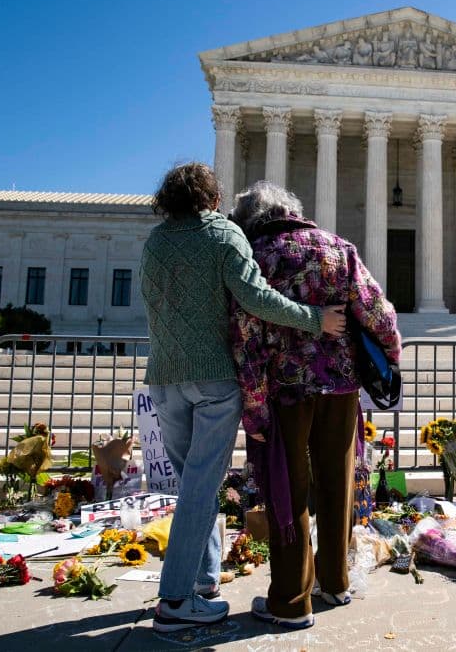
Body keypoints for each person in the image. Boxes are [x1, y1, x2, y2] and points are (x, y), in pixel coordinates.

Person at [140, 163, 345, 633]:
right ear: (213, 198)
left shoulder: (155, 241)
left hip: (164, 378)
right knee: (200, 487)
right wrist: (315, 319)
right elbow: (256, 299)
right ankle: (175, 601)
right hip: (212, 379)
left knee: (194, 485)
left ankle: (204, 580)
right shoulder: (223, 233)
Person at [230, 181, 400, 630]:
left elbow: (245, 338)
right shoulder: (337, 248)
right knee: (337, 483)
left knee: (287, 490)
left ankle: (291, 602)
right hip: (340, 386)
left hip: (283, 389)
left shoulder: (255, 256)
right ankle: (336, 582)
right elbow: (378, 312)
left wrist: (253, 407)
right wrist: (390, 355)